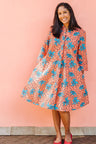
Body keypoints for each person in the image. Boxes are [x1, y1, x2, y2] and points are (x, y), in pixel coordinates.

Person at [21, 2, 89, 144]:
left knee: (63, 106)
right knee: (54, 105)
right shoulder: (53, 32)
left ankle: (68, 133)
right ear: (57, 16)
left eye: (65, 12)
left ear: (70, 13)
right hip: (52, 73)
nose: (62, 15)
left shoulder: (80, 33)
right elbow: (44, 50)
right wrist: (40, 67)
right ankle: (58, 135)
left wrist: (81, 73)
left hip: (69, 75)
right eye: (59, 13)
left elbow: (82, 54)